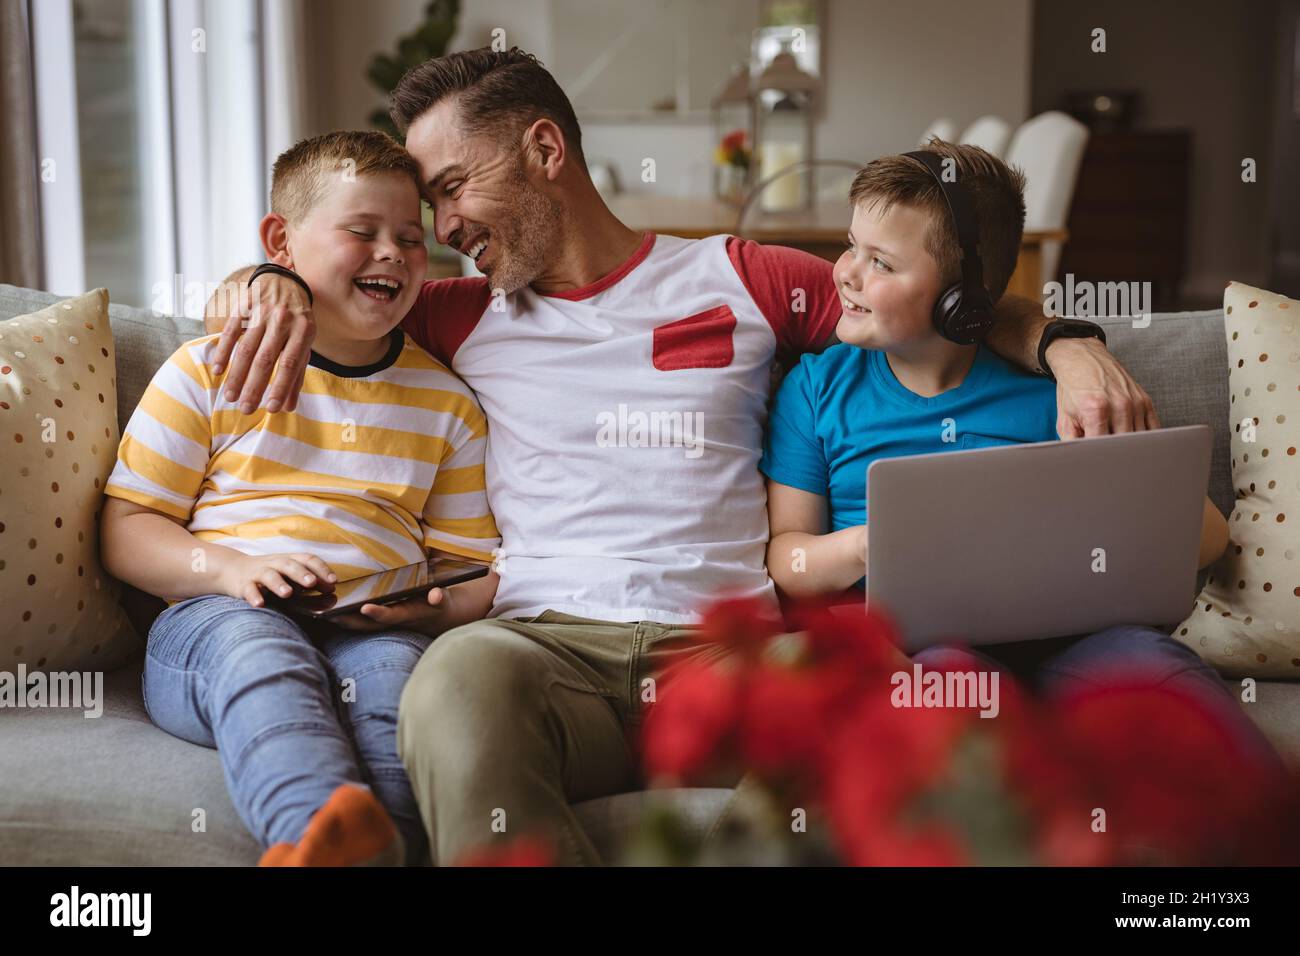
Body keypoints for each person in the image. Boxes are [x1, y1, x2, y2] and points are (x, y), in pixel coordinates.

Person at [203, 48, 1163, 865]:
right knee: (451, 680)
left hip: (730, 655)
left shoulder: (741, 277)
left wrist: (1069, 342)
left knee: (857, 686)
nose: (442, 228)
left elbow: (934, 301)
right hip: (539, 650)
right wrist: (265, 280)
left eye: (453, 188)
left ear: (544, 149)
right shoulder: (453, 314)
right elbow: (335, 286)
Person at [761, 140, 1274, 768]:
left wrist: (1125, 478)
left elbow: (1208, 537)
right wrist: (870, 545)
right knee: (949, 689)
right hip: (926, 649)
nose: (844, 271)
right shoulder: (817, 389)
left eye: (882, 263)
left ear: (963, 300)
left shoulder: (1058, 399)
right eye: (851, 245)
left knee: (1160, 672)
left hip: (1081, 641)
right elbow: (787, 556)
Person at [100, 130, 500, 866]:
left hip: (374, 628)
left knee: (395, 697)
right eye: (363, 231)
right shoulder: (208, 369)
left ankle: (385, 850)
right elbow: (127, 529)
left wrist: (431, 604)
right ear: (280, 242)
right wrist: (227, 572)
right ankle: (312, 836)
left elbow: (473, 564)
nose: (393, 253)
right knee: (263, 658)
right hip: (218, 619)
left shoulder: (447, 404)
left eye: (411, 238)